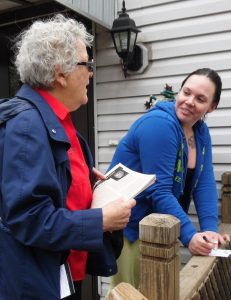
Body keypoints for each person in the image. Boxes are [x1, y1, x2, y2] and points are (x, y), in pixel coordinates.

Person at [0, 14, 136, 300]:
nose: (91, 73)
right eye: (87, 64)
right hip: (37, 282)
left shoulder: (57, 120)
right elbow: (30, 219)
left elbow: (53, 191)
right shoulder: (27, 126)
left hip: (60, 273)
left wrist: (88, 184)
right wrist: (100, 220)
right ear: (60, 73)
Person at [107, 68, 230, 292]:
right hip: (130, 227)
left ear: (211, 107)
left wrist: (210, 229)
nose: (190, 101)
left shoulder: (200, 132)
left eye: (200, 99)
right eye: (187, 92)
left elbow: (204, 181)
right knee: (130, 294)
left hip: (160, 228)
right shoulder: (160, 125)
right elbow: (160, 191)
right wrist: (190, 236)